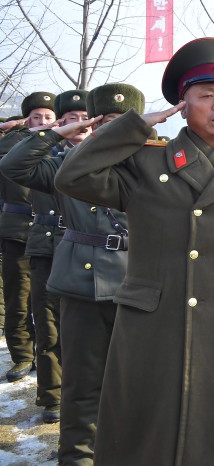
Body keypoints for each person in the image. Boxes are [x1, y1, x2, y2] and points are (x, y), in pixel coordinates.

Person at [53, 37, 214, 466]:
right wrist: (134, 126)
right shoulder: (147, 162)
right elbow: (71, 176)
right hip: (160, 328)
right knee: (161, 440)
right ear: (183, 106)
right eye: (206, 96)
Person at [2, 84, 137, 465]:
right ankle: (77, 457)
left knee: (135, 380)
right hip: (83, 281)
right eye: (102, 122)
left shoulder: (149, 164)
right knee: (82, 384)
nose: (108, 129)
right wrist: (56, 132)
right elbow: (14, 166)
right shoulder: (65, 162)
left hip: (139, 283)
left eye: (118, 123)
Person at [5, 89, 89, 425]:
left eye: (85, 119)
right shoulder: (43, 156)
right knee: (49, 326)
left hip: (90, 251)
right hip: (47, 245)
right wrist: (43, 134)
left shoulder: (112, 156)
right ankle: (53, 397)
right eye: (69, 120)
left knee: (87, 333)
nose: (78, 126)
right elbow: (12, 164)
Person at [0, 91, 57, 381]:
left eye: (49, 117)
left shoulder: (61, 146)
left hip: (51, 233)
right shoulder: (11, 144)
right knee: (17, 298)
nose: (43, 121)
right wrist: (18, 132)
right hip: (17, 230)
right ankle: (22, 355)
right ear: (26, 119)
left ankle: (49, 357)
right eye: (37, 117)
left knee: (46, 300)